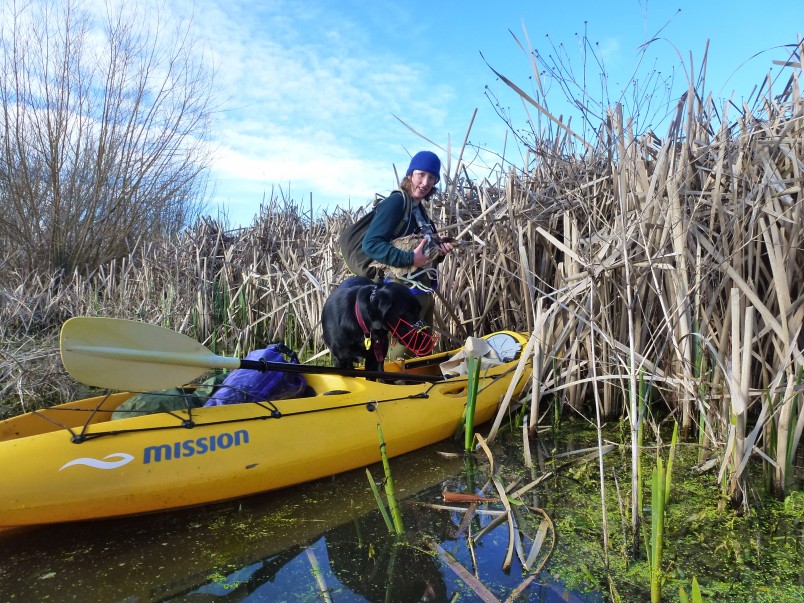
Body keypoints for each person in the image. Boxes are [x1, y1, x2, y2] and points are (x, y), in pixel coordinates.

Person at [361, 150, 455, 359]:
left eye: (432, 178)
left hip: (422, 295)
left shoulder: (420, 211)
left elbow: (423, 254)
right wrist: (410, 259)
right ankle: (391, 389)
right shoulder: (396, 203)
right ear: (410, 175)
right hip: (400, 297)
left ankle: (420, 389)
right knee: (400, 356)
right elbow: (371, 244)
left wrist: (440, 252)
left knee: (421, 351)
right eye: (421, 174)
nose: (425, 182)